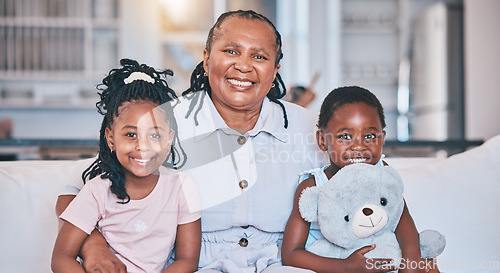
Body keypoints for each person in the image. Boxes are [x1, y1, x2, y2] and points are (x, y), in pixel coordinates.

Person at [56, 10, 326, 273]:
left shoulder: (309, 128)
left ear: (275, 69)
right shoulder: (165, 124)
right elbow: (74, 194)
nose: (243, 66)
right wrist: (94, 246)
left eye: (259, 56)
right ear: (206, 59)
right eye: (231, 51)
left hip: (281, 264)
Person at [52, 59, 201, 273]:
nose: (143, 146)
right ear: (111, 139)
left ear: (169, 139)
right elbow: (61, 258)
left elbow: (187, 260)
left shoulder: (183, 188)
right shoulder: (97, 190)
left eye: (154, 135)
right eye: (131, 134)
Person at [281, 86, 439, 273]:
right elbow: (291, 254)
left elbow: (402, 218)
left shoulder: (382, 173)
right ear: (322, 140)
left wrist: (411, 260)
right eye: (345, 136)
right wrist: (346, 266)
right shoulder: (313, 186)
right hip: (337, 263)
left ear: (383, 138)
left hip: (383, 256)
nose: (358, 146)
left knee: (429, 267)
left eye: (370, 136)